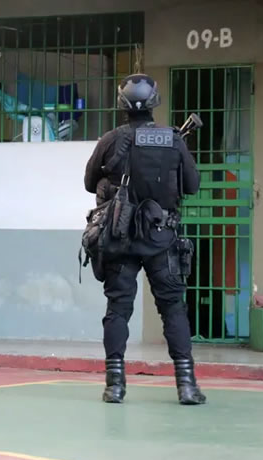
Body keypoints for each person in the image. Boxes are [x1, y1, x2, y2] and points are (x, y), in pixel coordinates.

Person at [83, 74, 206, 405]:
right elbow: (193, 186)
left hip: (120, 237)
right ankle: (187, 386)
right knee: (172, 308)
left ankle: (115, 385)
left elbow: (88, 181)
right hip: (161, 238)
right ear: (155, 102)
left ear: (122, 105)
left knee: (118, 309)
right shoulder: (173, 139)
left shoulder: (111, 140)